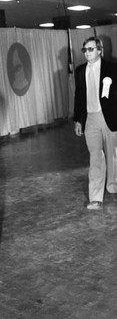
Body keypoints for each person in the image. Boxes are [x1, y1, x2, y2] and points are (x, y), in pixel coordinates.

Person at [74, 36, 117, 210]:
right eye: (84, 50)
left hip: (110, 117)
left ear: (99, 50)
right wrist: (78, 120)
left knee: (113, 154)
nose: (87, 53)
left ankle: (113, 186)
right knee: (95, 156)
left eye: (90, 49)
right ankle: (96, 198)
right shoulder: (79, 71)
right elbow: (78, 97)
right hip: (90, 119)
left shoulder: (112, 68)